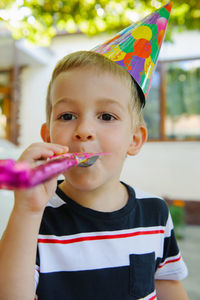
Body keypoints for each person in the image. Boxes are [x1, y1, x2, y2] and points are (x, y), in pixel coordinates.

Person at [0, 50, 188, 300]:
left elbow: (167, 285)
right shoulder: (37, 217)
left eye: (106, 116)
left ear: (134, 140)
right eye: (67, 116)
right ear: (48, 136)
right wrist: (27, 211)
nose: (84, 130)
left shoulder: (155, 213)